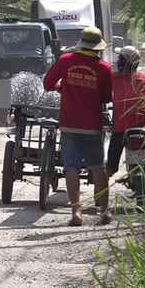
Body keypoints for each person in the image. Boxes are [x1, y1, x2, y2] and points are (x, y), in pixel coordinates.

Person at [43, 26, 114, 226]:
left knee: (71, 166)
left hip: (69, 124)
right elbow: (107, 97)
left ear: (81, 43)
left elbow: (48, 84)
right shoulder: (104, 68)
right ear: (98, 47)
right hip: (92, 125)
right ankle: (104, 212)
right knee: (98, 167)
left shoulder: (65, 61)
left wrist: (62, 88)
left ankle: (76, 212)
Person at [105, 45, 145, 177]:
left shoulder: (113, 78)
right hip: (143, 126)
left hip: (121, 129)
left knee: (110, 165)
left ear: (124, 61)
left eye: (119, 58)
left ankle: (110, 171)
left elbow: (104, 96)